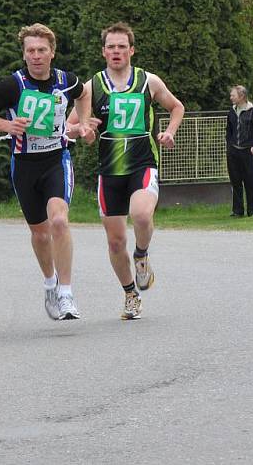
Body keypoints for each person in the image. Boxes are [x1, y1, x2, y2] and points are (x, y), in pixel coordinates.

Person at [68, 22, 184, 320]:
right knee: (116, 240)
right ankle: (131, 294)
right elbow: (71, 126)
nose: (116, 51)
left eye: (122, 46)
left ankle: (142, 255)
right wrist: (85, 130)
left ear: (131, 50)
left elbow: (176, 107)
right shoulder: (92, 87)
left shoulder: (148, 81)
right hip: (109, 171)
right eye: (111, 47)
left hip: (143, 164)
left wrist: (170, 132)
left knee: (142, 214)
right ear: (103, 51)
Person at [0, 23, 91, 321]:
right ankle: (50, 283)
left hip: (57, 159)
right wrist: (8, 125)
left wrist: (81, 123)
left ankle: (66, 294)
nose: (36, 56)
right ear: (24, 54)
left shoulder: (66, 80)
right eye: (30, 51)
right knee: (40, 234)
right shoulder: (12, 85)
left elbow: (84, 93)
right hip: (24, 164)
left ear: (52, 53)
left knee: (59, 221)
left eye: (41, 50)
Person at [226, 85, 253, 217]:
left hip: (248, 152)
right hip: (233, 152)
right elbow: (229, 130)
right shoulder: (232, 111)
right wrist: (229, 146)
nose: (231, 97)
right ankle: (237, 211)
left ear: (242, 96)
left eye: (233, 95)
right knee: (235, 181)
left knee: (250, 182)